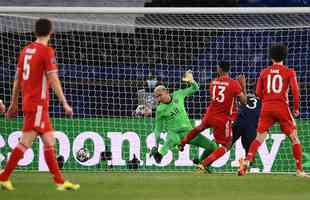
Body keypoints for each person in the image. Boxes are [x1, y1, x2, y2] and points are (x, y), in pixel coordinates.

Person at [0, 18, 80, 191]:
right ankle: (3, 176)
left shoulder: (26, 50)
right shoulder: (46, 52)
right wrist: (65, 103)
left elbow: (17, 80)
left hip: (31, 102)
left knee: (49, 141)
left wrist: (14, 103)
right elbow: (53, 79)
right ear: (51, 32)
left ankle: (60, 182)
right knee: (26, 142)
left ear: (35, 32)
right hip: (37, 104)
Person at [238, 44, 309, 177]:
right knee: (294, 138)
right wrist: (296, 108)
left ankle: (247, 161)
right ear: (285, 56)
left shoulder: (264, 72)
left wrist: (268, 99)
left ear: (271, 57)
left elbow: (258, 93)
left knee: (259, 137)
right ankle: (299, 170)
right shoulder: (289, 72)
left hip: (267, 107)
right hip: (282, 107)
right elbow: (295, 91)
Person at [179, 62, 247, 171]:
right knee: (226, 145)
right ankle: (204, 163)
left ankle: (182, 143)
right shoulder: (234, 84)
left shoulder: (213, 82)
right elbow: (244, 102)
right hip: (223, 119)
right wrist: (242, 86)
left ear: (219, 69)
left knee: (198, 128)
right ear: (228, 70)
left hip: (210, 115)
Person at [150, 70, 218, 169]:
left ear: (166, 91)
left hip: (189, 133)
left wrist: (192, 81)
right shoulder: (160, 110)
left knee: (213, 147)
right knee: (173, 138)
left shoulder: (178, 94)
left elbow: (195, 88)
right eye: (157, 97)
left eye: (160, 95)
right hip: (174, 133)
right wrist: (155, 144)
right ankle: (159, 155)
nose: (159, 99)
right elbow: (158, 128)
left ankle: (200, 161)